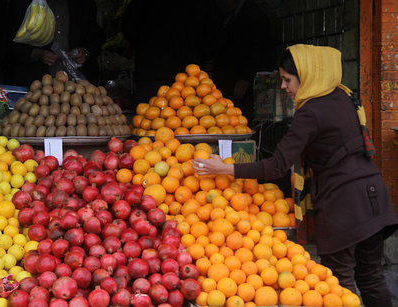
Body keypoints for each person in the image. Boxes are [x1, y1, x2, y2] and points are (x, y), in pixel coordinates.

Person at [192, 44, 398, 307]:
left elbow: (277, 165)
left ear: (308, 75)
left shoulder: (310, 112)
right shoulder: (344, 96)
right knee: (371, 277)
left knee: (339, 284)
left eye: (288, 80)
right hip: (374, 197)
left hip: (344, 205)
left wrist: (225, 168)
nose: (283, 87)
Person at [122, 0, 220, 103]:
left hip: (152, 73)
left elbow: (128, 27)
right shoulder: (202, 3)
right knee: (191, 115)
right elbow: (214, 39)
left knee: (148, 114)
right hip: (188, 76)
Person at [7, 0, 104, 86]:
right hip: (35, 81)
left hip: (78, 83)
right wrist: (36, 54)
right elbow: (9, 42)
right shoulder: (24, 4)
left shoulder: (84, 4)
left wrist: (86, 52)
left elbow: (97, 38)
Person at [212, 0, 275, 122]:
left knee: (241, 118)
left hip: (244, 84)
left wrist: (246, 78)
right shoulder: (230, 15)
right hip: (230, 82)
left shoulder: (253, 15)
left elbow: (262, 49)